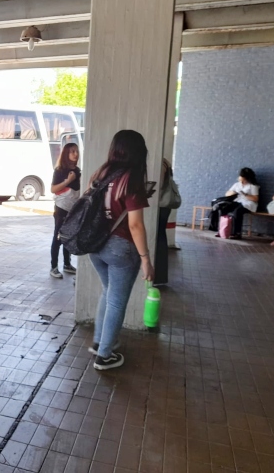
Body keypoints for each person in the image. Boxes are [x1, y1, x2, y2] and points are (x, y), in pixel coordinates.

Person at [87, 130, 154, 371]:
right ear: (138, 152)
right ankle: (105, 356)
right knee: (117, 300)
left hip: (96, 245)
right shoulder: (132, 180)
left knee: (108, 292)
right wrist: (146, 258)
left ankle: (99, 342)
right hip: (121, 249)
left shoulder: (101, 173)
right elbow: (135, 225)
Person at [49, 142, 81, 279]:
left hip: (73, 208)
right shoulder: (60, 170)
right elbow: (53, 189)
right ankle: (54, 266)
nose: (75, 154)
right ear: (66, 154)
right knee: (58, 236)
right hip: (61, 208)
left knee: (68, 236)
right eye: (72, 151)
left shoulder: (78, 171)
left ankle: (67, 264)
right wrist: (68, 181)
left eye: (76, 151)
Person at [218, 167, 259, 239]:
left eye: (242, 177)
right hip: (237, 201)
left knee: (237, 211)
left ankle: (236, 233)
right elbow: (227, 194)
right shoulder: (237, 184)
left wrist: (245, 194)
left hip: (248, 203)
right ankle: (222, 230)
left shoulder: (253, 186)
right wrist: (234, 192)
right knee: (223, 208)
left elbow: (255, 199)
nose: (240, 178)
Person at [154, 159, 173, 285]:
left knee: (159, 237)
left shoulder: (161, 164)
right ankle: (160, 276)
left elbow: (159, 185)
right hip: (164, 205)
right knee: (161, 236)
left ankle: (159, 276)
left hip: (161, 205)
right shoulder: (165, 163)